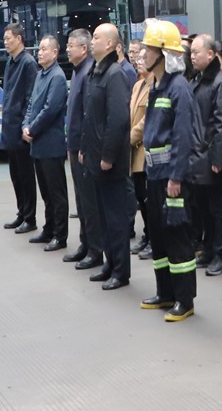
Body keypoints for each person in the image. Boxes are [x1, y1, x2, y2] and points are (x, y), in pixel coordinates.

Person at [137, 20, 200, 321]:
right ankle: (165, 293)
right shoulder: (156, 85)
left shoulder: (179, 88)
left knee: (177, 236)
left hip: (172, 179)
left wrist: (176, 177)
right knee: (159, 236)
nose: (143, 54)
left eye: (149, 49)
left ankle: (184, 300)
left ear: (163, 54)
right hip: (154, 175)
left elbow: (183, 136)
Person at [83, 23, 136, 290]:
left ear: (109, 44)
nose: (92, 41)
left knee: (116, 219)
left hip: (109, 163)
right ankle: (109, 263)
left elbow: (118, 119)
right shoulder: (95, 72)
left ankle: (121, 271)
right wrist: (85, 150)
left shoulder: (115, 75)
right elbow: (91, 117)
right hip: (95, 158)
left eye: (96, 37)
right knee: (103, 216)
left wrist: (107, 156)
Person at [189, 33, 222, 277]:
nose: (192, 56)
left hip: (212, 158)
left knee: (219, 209)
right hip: (198, 156)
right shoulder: (198, 80)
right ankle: (208, 249)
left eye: (196, 52)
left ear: (211, 55)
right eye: (191, 52)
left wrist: (218, 159)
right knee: (204, 207)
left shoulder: (221, 84)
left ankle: (220, 254)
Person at [23, 35, 70, 251]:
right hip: (38, 145)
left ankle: (60, 235)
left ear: (54, 52)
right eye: (39, 49)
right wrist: (26, 125)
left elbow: (50, 109)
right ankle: (49, 228)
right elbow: (32, 104)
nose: (39, 52)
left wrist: (32, 129)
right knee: (46, 193)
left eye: (44, 49)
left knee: (56, 193)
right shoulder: (41, 75)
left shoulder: (57, 77)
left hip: (51, 145)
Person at [63, 30, 103, 270]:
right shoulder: (77, 71)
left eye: (71, 45)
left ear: (84, 49)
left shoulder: (88, 73)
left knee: (89, 202)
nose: (67, 49)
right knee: (80, 199)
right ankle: (85, 243)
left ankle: (95, 250)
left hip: (82, 148)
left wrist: (84, 146)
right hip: (74, 144)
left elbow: (89, 115)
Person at [1, 23, 40, 234]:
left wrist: (25, 125)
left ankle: (30, 217)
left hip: (20, 128)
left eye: (8, 38)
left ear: (19, 39)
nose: (5, 42)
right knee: (15, 174)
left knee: (26, 175)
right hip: (10, 126)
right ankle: (21, 212)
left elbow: (30, 98)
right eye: (5, 39)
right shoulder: (11, 62)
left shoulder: (28, 63)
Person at [129, 50, 154, 260]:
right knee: (140, 196)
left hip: (144, 149)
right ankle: (147, 235)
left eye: (144, 59)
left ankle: (154, 238)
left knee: (149, 199)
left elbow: (147, 120)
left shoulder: (155, 86)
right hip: (134, 151)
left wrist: (129, 137)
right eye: (138, 59)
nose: (139, 62)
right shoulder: (138, 85)